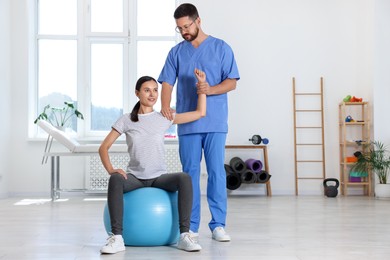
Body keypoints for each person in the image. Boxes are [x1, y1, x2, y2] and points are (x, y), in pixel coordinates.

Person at [99, 70, 206, 254]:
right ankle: (116, 238)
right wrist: (111, 169)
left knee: (184, 178)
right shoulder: (126, 120)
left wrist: (202, 87)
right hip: (135, 178)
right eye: (147, 90)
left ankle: (184, 236)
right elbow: (103, 147)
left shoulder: (164, 117)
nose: (152, 94)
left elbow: (200, 113)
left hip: (158, 178)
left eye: (155, 90)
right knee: (115, 179)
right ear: (137, 93)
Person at [158, 3, 240, 243]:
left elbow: (232, 82)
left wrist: (210, 89)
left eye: (186, 26)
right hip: (188, 122)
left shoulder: (221, 48)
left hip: (215, 122)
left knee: (216, 173)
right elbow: (166, 83)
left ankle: (218, 225)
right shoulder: (176, 53)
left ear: (198, 21)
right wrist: (165, 107)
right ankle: (190, 225)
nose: (183, 31)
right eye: (179, 28)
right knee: (190, 174)